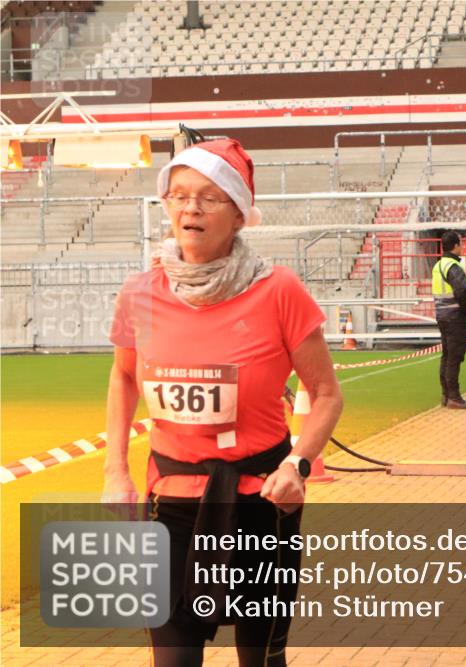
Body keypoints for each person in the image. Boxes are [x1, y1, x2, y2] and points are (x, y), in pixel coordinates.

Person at [102, 138, 343, 667]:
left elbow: (326, 394)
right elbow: (123, 379)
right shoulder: (139, 293)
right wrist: (116, 471)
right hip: (169, 505)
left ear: (238, 214)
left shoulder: (279, 290)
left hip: (262, 503)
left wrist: (298, 464)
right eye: (180, 195)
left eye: (210, 198)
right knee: (172, 659)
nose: (191, 208)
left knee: (260, 659)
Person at [432, 230, 466, 409]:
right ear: (456, 245)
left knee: (447, 356)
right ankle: (454, 397)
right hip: (454, 317)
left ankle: (446, 395)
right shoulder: (453, 266)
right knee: (455, 357)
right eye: (461, 244)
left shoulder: (439, 265)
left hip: (443, 316)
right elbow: (462, 292)